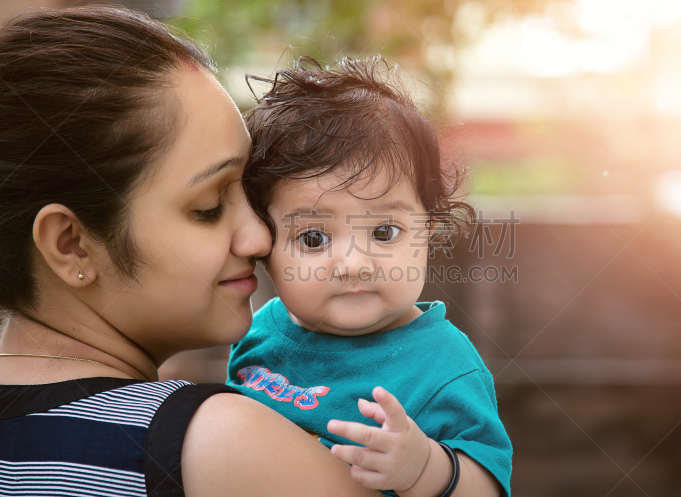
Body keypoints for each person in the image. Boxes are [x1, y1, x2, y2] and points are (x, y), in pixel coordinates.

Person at [0, 7, 378, 497]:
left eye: (252, 192)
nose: (259, 238)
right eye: (208, 206)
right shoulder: (220, 445)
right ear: (70, 245)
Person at [226, 57, 513, 497]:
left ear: (429, 234)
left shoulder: (444, 366)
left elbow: (489, 486)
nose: (354, 263)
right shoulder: (260, 333)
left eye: (383, 232)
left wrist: (424, 469)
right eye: (314, 237)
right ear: (266, 249)